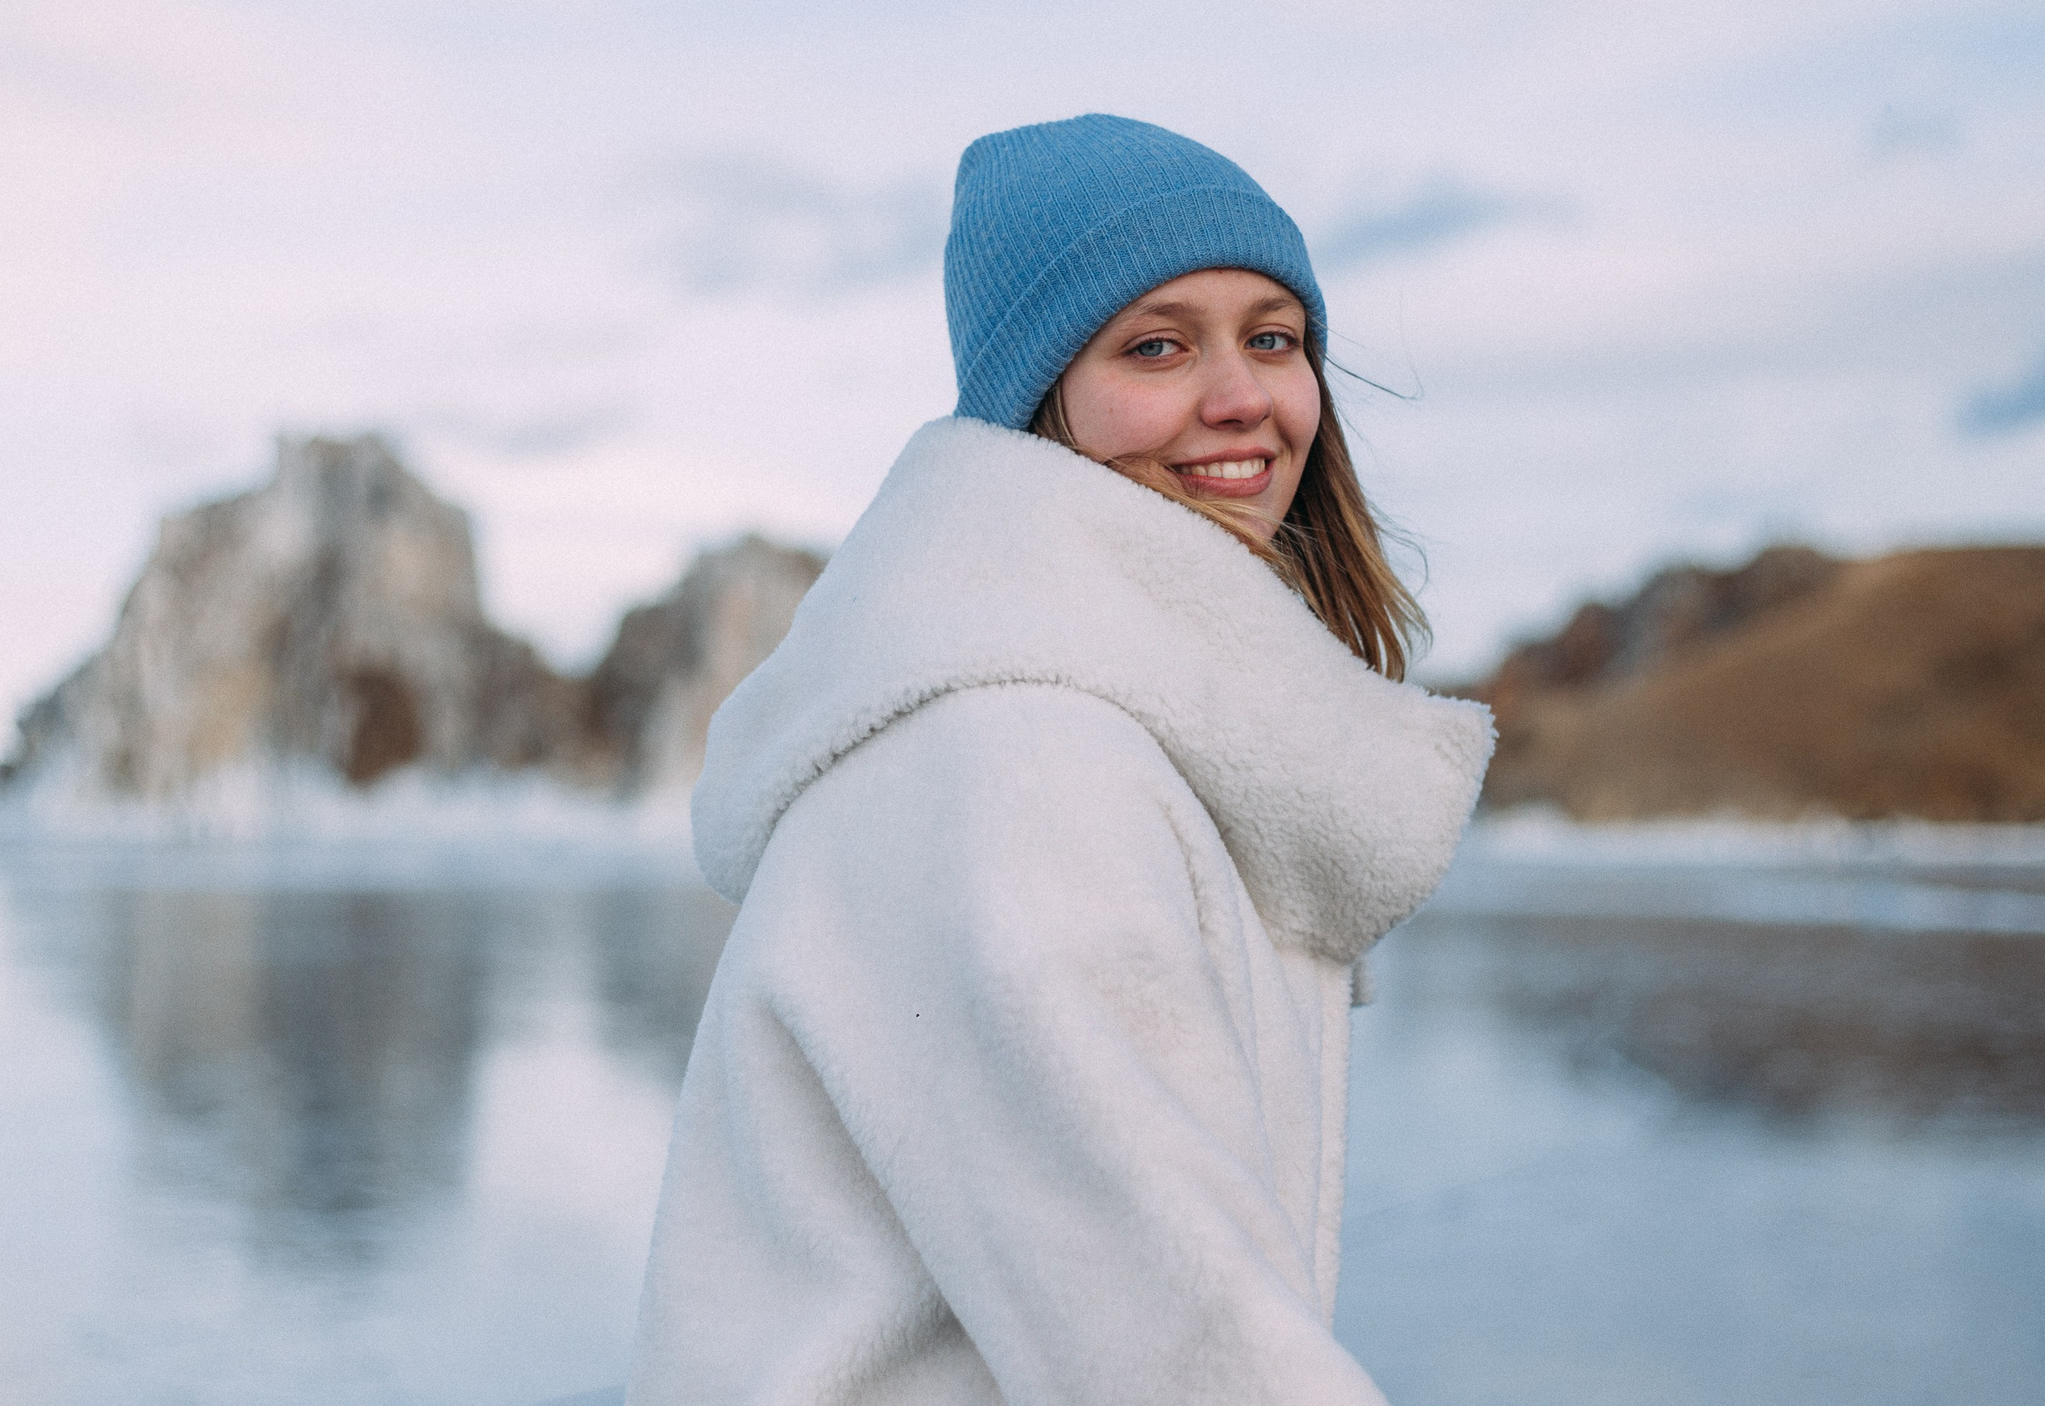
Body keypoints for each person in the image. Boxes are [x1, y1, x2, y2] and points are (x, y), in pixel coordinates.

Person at [625, 114, 1494, 1405]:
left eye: (1274, 336)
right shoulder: (1017, 762)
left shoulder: (1117, 733)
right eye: (1156, 345)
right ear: (1043, 398)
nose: (1244, 395)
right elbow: (1179, 1354)